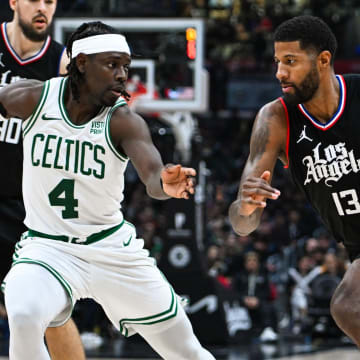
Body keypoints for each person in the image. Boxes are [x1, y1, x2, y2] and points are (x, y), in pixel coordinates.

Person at [0, 21, 215, 360]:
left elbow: (152, 176)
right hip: (47, 248)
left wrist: (164, 182)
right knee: (24, 316)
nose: (122, 74)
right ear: (82, 62)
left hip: (112, 251)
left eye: (125, 66)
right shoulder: (34, 98)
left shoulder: (123, 120)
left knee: (187, 351)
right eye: (112, 64)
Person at [229, 15, 360, 347]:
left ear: (323, 61)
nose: (279, 73)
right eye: (277, 62)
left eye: (290, 62)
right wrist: (245, 206)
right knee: (349, 307)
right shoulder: (275, 119)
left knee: (348, 304)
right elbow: (242, 225)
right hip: (356, 247)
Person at [0, 0, 85, 358]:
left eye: (50, 1)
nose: (43, 8)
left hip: (29, 204)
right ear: (14, 2)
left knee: (51, 312)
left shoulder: (62, 63)